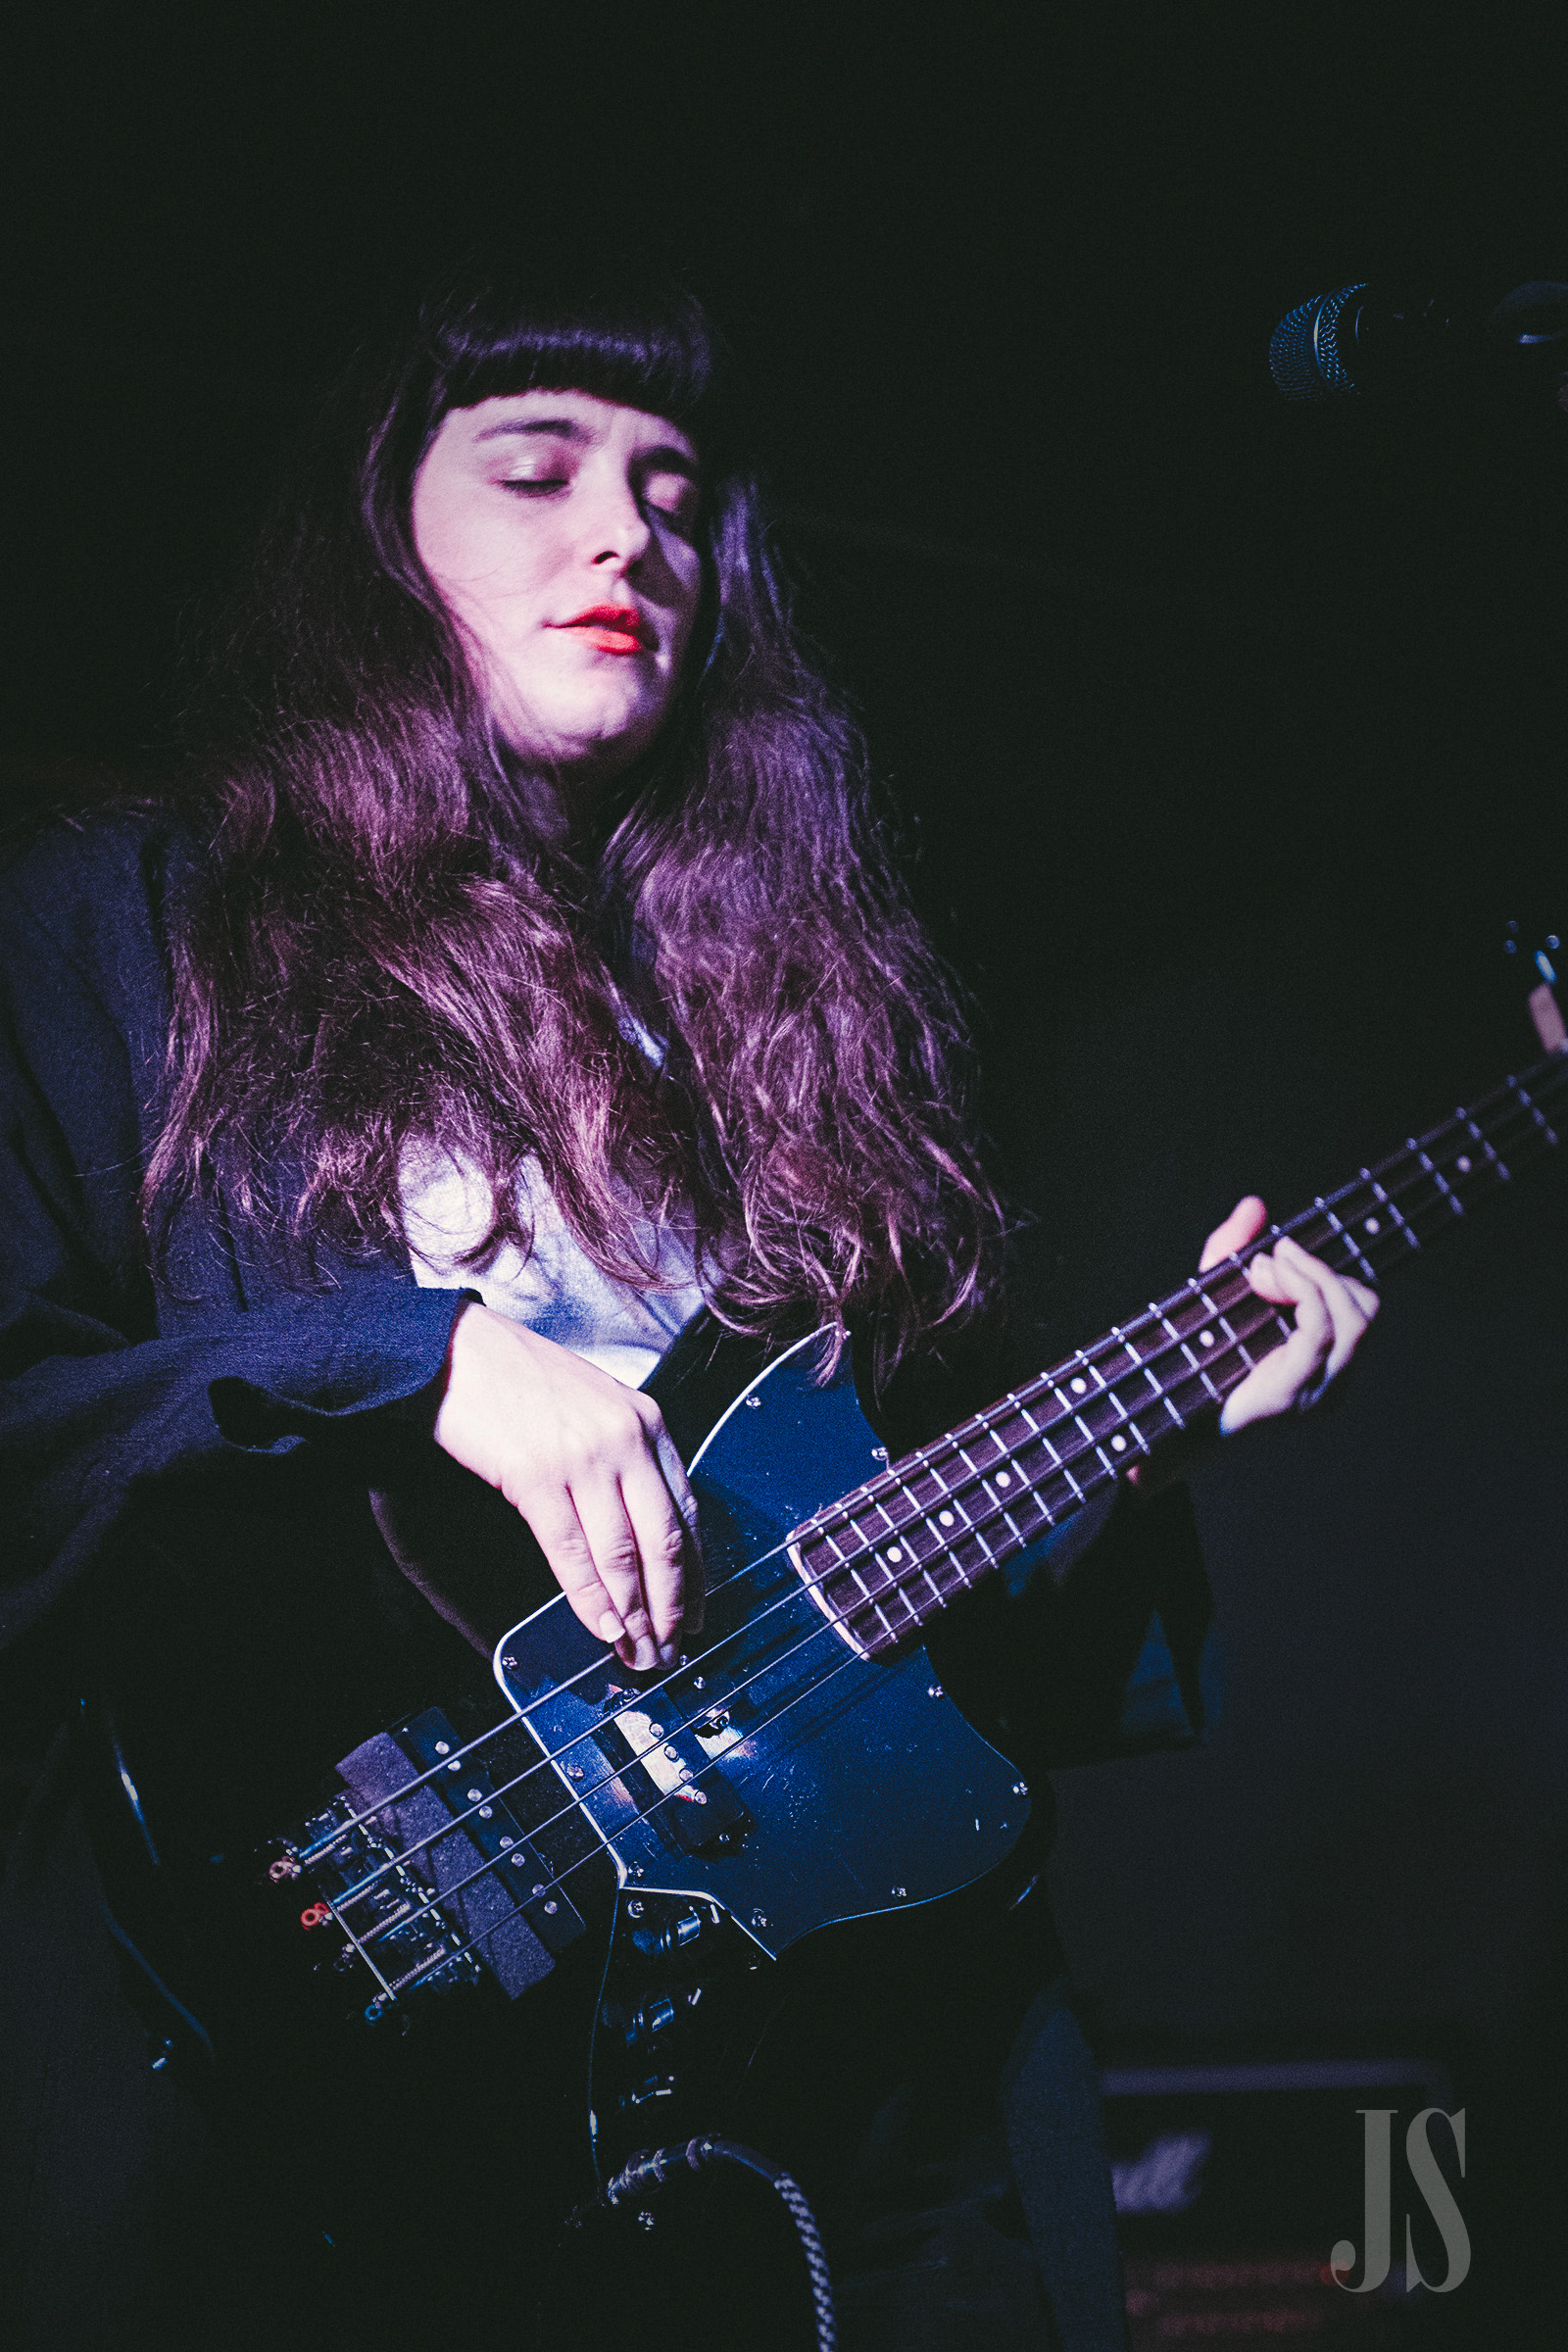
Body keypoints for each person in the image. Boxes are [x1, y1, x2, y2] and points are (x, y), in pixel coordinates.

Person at [0, 264, 1377, 2352]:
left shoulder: (801, 1026)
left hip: (805, 2119)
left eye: (669, 491)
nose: (625, 536)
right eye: (535, 469)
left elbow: (899, 1683)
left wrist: (1144, 1450)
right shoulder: (129, 928)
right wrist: (414, 1360)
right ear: (380, 532)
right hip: (283, 2051)